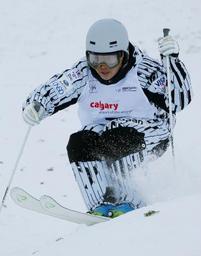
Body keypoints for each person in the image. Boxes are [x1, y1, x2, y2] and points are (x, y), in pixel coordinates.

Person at [22, 19, 192, 218]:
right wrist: (36, 105)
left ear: (123, 54)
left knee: (118, 138)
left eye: (109, 60)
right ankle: (100, 205)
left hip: (150, 132)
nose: (102, 67)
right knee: (79, 143)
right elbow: (56, 89)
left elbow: (179, 100)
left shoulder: (144, 71)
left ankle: (130, 202)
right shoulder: (84, 73)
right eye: (95, 59)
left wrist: (173, 61)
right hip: (102, 132)